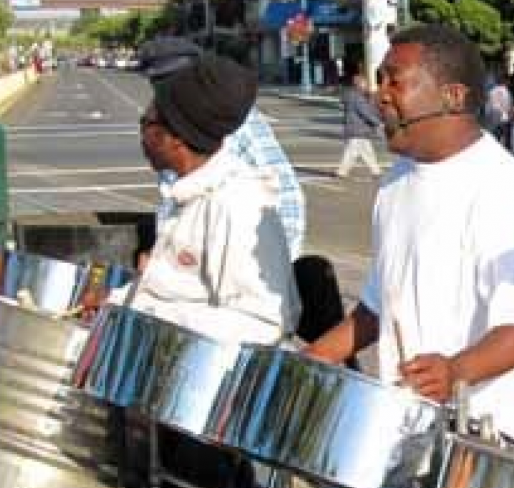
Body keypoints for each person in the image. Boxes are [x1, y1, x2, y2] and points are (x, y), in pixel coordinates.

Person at [304, 25, 514, 452]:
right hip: (409, 430)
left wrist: (454, 370)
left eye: (395, 81)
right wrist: (314, 358)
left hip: (490, 438)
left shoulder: (504, 190)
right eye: (379, 80)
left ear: (453, 97)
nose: (379, 95)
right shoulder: (394, 182)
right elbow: (380, 305)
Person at [129, 54, 300, 488]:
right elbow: (176, 292)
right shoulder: (189, 194)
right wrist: (118, 304)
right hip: (177, 402)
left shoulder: (236, 203)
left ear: (174, 138)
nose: (141, 130)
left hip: (215, 420)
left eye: (147, 121)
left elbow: (264, 321)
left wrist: (152, 321)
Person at [137, 37, 307, 260]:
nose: (163, 93)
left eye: (172, 82)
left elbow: (287, 202)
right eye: (157, 83)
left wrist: (273, 263)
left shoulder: (229, 120)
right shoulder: (174, 124)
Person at [336, 74, 384, 178]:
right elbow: (365, 112)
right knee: (354, 152)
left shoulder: (353, 95)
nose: (366, 85)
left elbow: (366, 110)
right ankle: (341, 172)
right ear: (359, 84)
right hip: (358, 129)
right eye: (365, 83)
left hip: (357, 128)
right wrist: (378, 123)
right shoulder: (357, 97)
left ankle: (376, 171)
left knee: (364, 151)